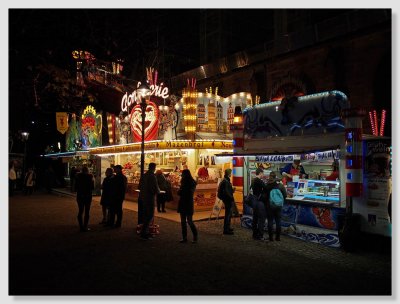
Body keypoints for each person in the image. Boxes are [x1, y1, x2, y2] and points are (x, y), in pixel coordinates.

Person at [139, 163, 161, 240]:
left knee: (145, 214)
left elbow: (140, 185)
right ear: (154, 168)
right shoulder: (152, 176)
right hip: (149, 197)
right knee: (150, 215)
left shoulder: (144, 175)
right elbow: (155, 187)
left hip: (143, 196)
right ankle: (145, 232)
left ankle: (144, 231)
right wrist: (158, 192)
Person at [177, 169, 198, 243]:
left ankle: (185, 237)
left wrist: (180, 190)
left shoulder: (184, 183)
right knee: (189, 221)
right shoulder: (192, 182)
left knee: (184, 221)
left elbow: (180, 192)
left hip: (183, 202)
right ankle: (195, 237)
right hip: (189, 203)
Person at [265, 171, 287, 241]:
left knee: (270, 221)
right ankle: (278, 237)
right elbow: (285, 195)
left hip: (270, 206)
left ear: (269, 176)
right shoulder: (280, 185)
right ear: (275, 177)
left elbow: (265, 196)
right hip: (278, 206)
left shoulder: (267, 185)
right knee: (278, 221)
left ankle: (271, 238)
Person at [75, 165, 94, 232]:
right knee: (87, 211)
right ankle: (85, 226)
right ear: (87, 170)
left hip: (80, 195)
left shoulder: (78, 177)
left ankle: (81, 226)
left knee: (80, 211)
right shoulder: (90, 177)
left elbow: (75, 187)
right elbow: (92, 187)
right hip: (88, 195)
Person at [250, 167, 267, 240]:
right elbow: (266, 188)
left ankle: (254, 234)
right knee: (261, 219)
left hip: (254, 201)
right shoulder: (259, 181)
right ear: (260, 173)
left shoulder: (253, 180)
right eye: (263, 173)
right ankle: (260, 235)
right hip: (259, 202)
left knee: (255, 218)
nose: (263, 175)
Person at [219, 168, 235, 235]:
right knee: (228, 214)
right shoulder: (226, 181)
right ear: (228, 173)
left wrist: (232, 190)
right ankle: (226, 230)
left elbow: (227, 190)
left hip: (226, 199)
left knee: (228, 214)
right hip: (227, 199)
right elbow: (227, 192)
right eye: (230, 173)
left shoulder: (225, 180)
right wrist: (231, 197)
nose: (231, 174)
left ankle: (227, 227)